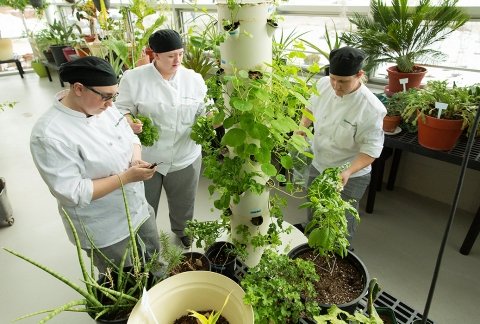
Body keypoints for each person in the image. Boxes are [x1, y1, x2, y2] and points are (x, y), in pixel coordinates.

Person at [30, 56, 161, 275]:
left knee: (154, 262)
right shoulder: (49, 135)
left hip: (138, 208)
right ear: (79, 88)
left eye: (114, 96)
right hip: (105, 227)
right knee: (127, 281)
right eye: (106, 96)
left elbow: (131, 137)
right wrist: (126, 177)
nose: (111, 104)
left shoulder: (104, 108)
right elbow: (73, 192)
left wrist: (135, 159)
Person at [115, 29, 208, 248]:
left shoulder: (193, 79)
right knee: (145, 202)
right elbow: (121, 109)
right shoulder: (134, 78)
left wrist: (213, 119)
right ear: (155, 55)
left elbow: (205, 110)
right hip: (147, 157)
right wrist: (129, 121)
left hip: (185, 154)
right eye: (170, 55)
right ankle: (146, 239)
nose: (178, 60)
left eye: (181, 54)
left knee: (184, 200)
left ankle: (183, 230)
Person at [296, 46, 386, 243]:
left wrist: (347, 171)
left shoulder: (371, 108)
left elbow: (371, 150)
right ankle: (311, 243)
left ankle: (341, 253)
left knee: (341, 221)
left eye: (343, 81)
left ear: (359, 75)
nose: (336, 85)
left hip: (350, 174)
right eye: (333, 78)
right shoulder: (322, 85)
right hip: (319, 163)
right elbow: (309, 107)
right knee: (314, 208)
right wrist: (302, 127)